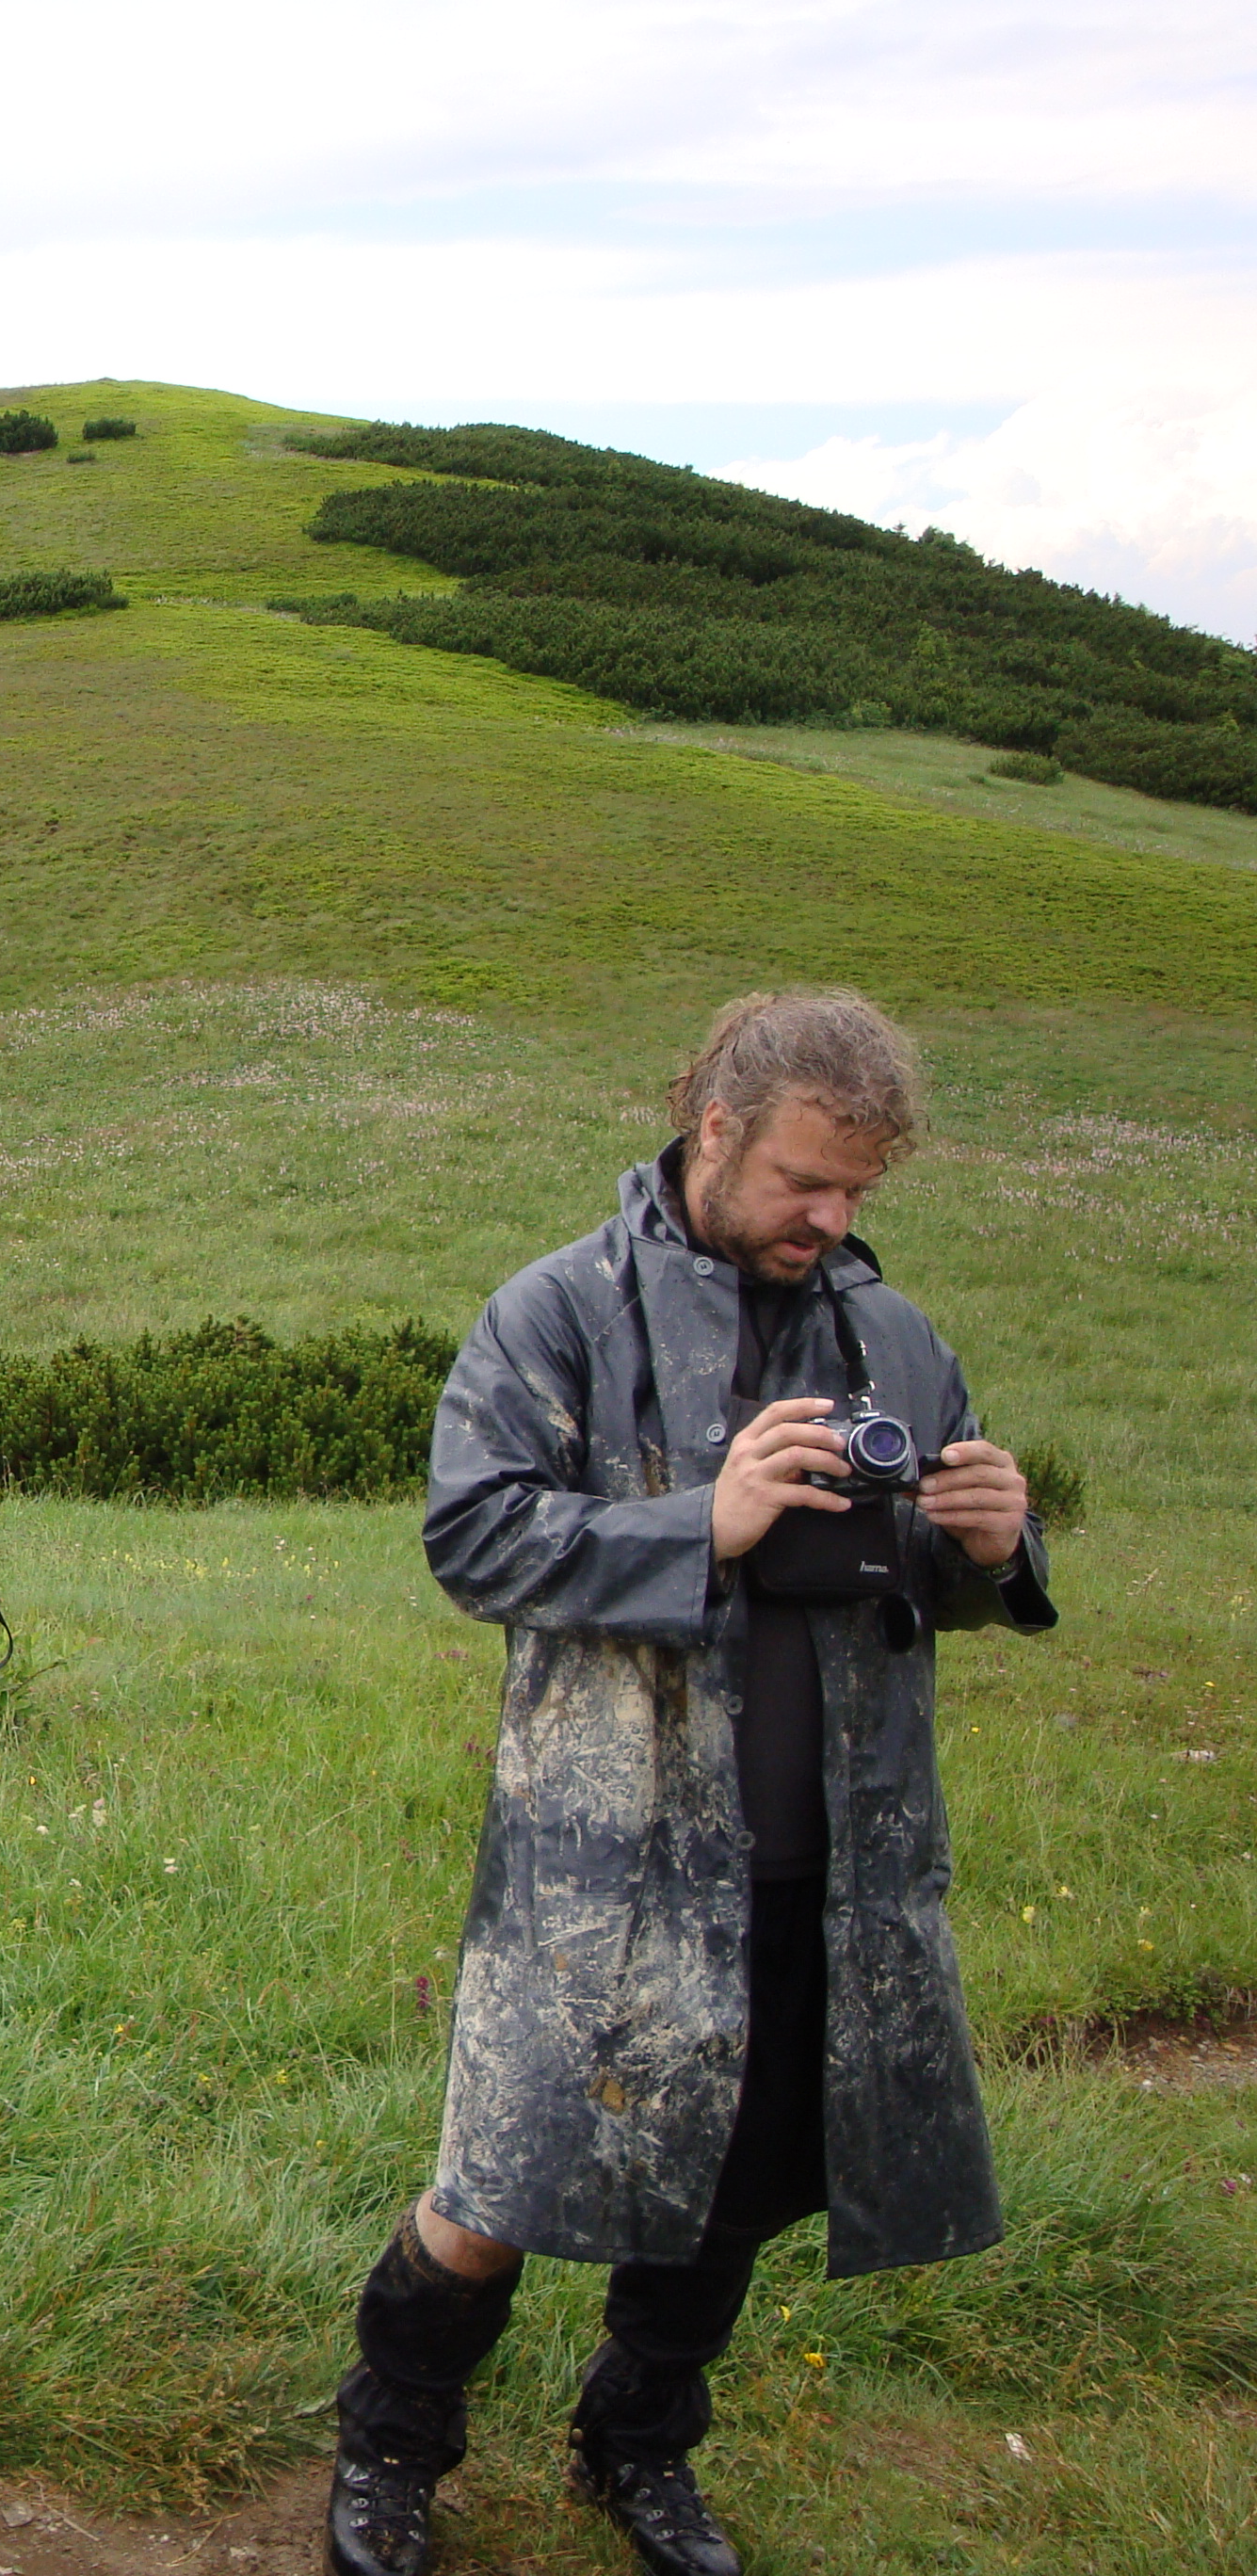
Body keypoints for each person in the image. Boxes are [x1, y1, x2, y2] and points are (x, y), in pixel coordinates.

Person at [324, 991, 1056, 2576]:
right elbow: (473, 1535)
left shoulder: (894, 1336)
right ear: (714, 1129)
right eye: (804, 1180)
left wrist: (997, 1547)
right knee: (501, 2178)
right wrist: (699, 1525)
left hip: (828, 1859)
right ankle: (391, 2447)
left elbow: (924, 1563)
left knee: (731, 2182)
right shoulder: (558, 1311)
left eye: (857, 1189)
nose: (831, 1218)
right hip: (605, 1859)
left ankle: (638, 2449)